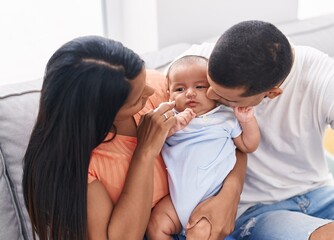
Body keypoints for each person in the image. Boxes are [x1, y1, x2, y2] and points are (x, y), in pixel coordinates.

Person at [22, 35, 247, 240]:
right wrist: (144, 153)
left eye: (145, 79)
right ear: (103, 114)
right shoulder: (80, 170)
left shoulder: (163, 89)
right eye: (138, 97)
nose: (151, 92)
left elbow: (230, 139)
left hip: (214, 215)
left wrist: (230, 193)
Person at [181, 20, 334, 239]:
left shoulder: (328, 80)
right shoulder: (196, 63)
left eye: (224, 98)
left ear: (272, 93)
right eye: (208, 85)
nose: (209, 96)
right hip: (258, 210)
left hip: (322, 193)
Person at [146, 55, 260, 239]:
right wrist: (171, 129)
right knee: (155, 225)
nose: (190, 93)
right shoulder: (170, 118)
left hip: (212, 197)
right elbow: (151, 147)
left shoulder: (225, 117)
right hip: (176, 199)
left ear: (214, 91)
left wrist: (247, 120)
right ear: (169, 94)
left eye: (199, 87)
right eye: (180, 89)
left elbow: (248, 145)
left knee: (201, 234)